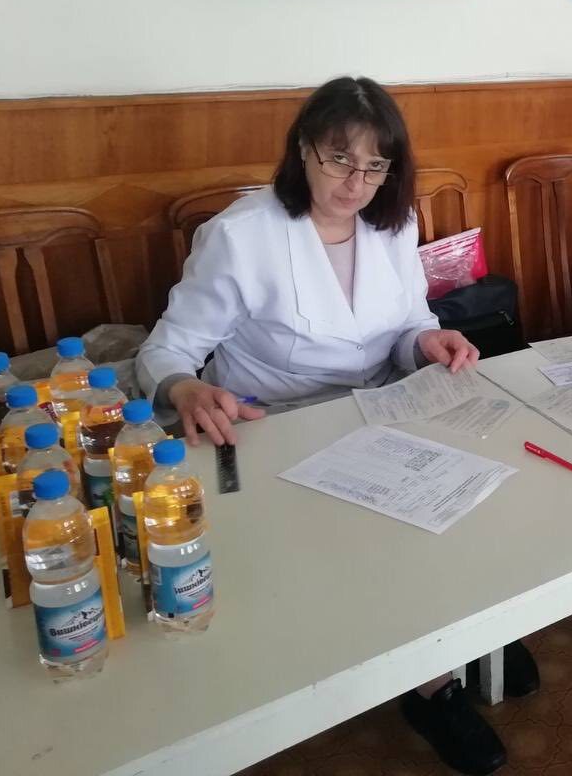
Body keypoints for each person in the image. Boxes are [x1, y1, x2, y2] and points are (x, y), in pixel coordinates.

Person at [137, 76, 522, 776]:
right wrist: (185, 386)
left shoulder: (392, 224)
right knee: (368, 542)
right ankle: (432, 686)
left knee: (468, 494)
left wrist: (427, 343)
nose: (355, 183)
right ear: (303, 150)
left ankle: (471, 632)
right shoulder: (241, 236)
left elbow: (406, 327)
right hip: (275, 423)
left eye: (375, 166)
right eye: (340, 159)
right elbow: (167, 350)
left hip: (379, 409)